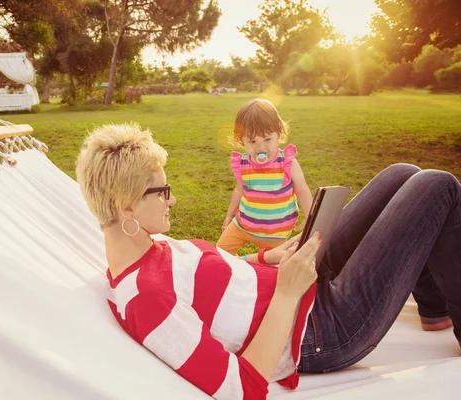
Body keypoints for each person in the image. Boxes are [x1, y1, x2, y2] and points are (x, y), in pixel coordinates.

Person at [75, 123, 461, 400]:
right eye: (162, 192)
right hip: (321, 329)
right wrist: (287, 293)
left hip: (296, 283)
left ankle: (433, 309)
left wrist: (267, 257)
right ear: (126, 207)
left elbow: (212, 275)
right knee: (437, 186)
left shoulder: (148, 246)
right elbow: (241, 387)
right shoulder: (145, 299)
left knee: (402, 174)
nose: (172, 200)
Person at [217, 98, 313, 255]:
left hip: (276, 235)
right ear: (241, 140)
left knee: (276, 269)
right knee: (220, 254)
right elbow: (238, 191)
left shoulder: (287, 163)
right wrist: (229, 216)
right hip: (242, 226)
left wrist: (309, 215)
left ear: (279, 134)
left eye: (267, 139)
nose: (261, 147)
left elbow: (302, 190)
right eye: (252, 141)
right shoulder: (242, 164)